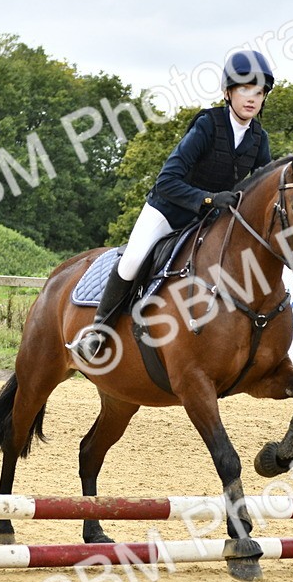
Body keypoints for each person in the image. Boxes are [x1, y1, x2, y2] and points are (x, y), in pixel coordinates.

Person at [69, 50, 275, 360]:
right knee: (133, 259)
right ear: (227, 92)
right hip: (168, 210)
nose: (252, 98)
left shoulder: (259, 139)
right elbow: (167, 180)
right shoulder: (207, 125)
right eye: (245, 89)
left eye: (259, 92)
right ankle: (98, 333)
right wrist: (209, 199)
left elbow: (263, 189)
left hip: (209, 221)